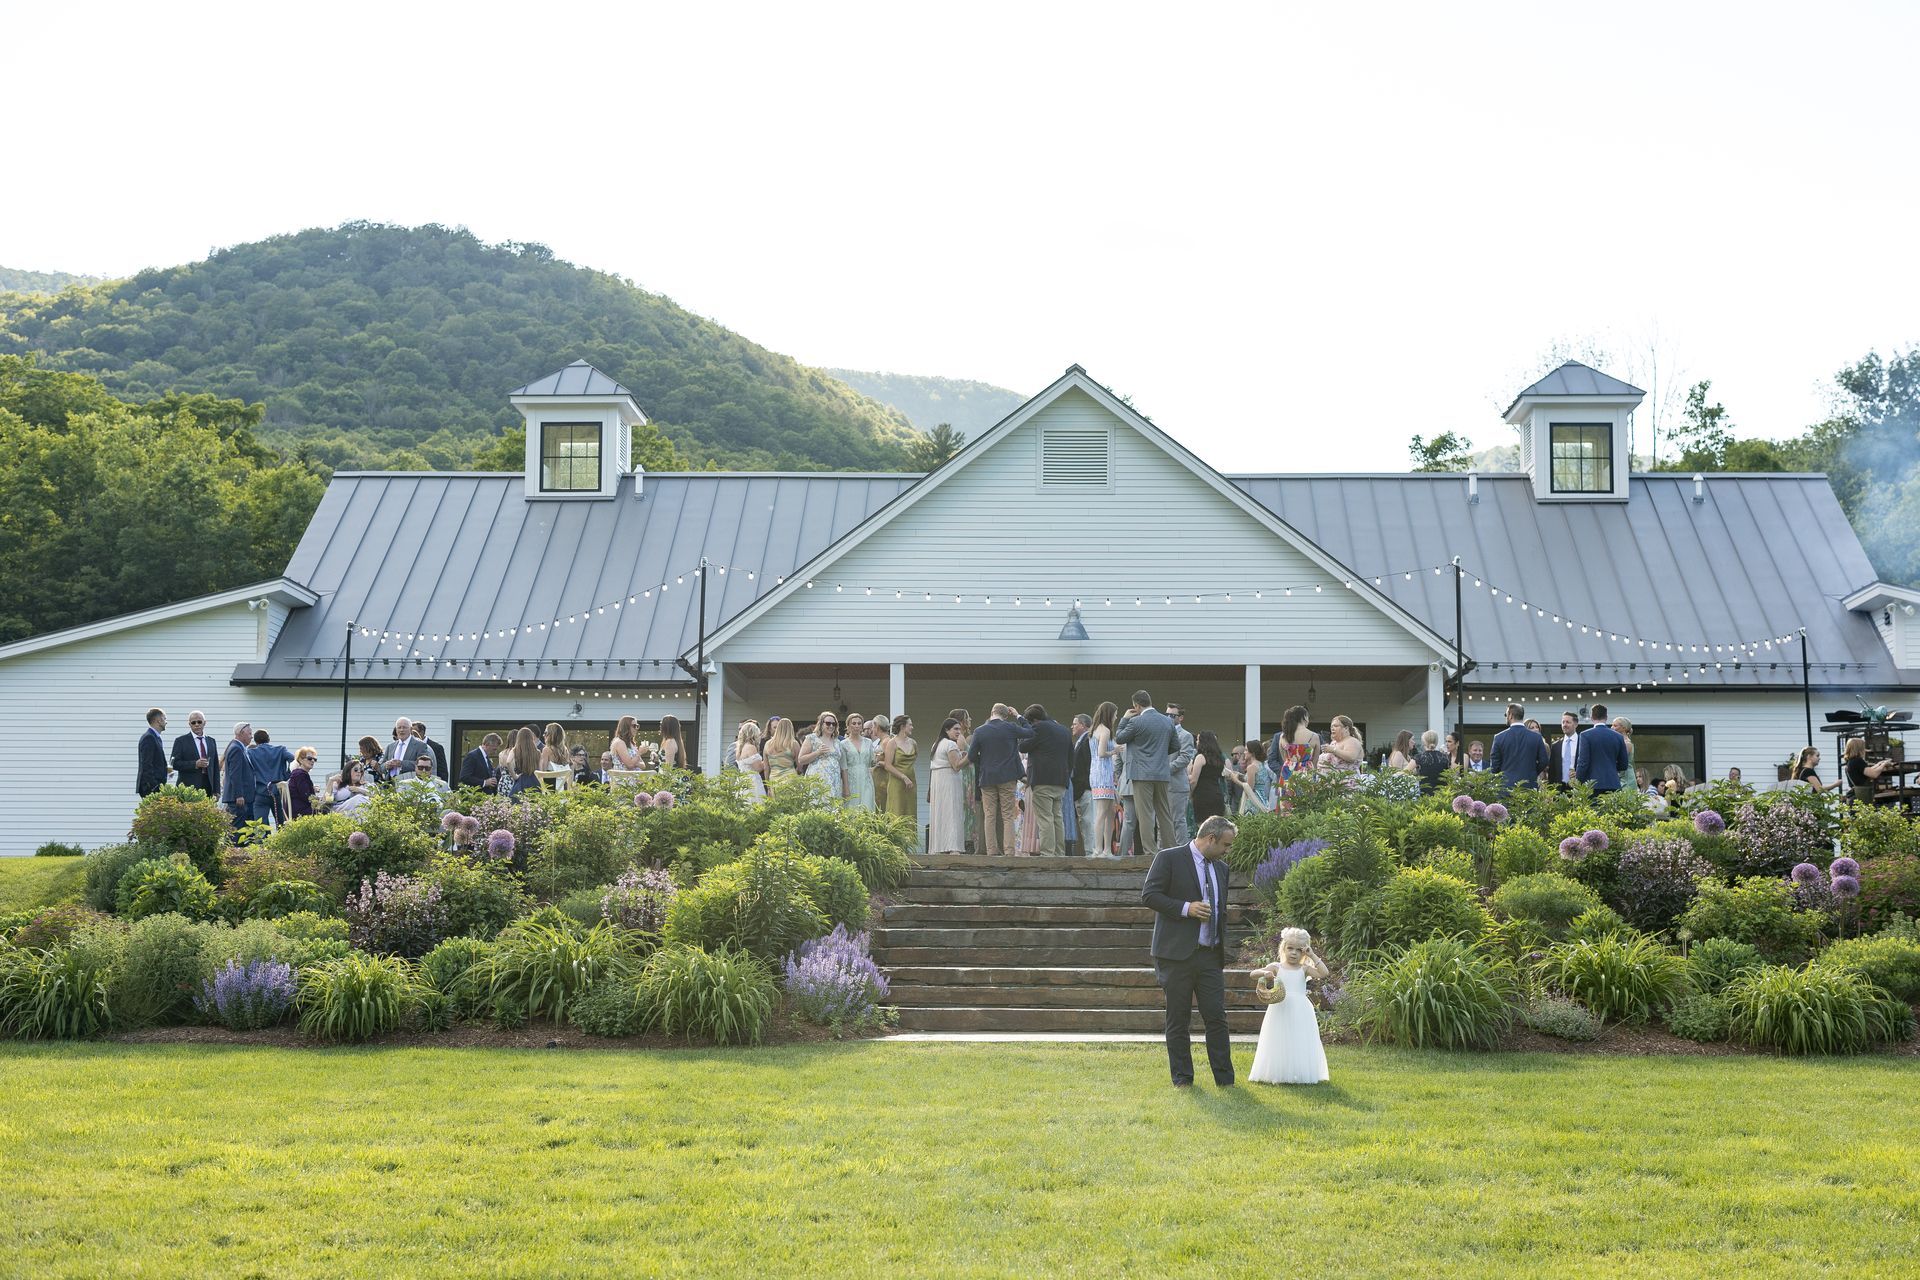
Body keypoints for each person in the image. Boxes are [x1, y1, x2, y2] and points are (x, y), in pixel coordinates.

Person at [1142, 815, 1238, 1088]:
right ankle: (1183, 1079)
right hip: (1175, 955)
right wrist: (1187, 908)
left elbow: (1222, 910)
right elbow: (1149, 895)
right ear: (1210, 839)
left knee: (1217, 1017)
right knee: (1178, 1019)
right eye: (1226, 845)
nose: (1227, 851)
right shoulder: (1169, 858)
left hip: (1209, 955)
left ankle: (1225, 1080)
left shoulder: (1221, 868)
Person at [1247, 926, 1331, 1086]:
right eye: (1290, 948)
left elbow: (1323, 973)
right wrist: (1264, 973)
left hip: (1301, 1010)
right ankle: (1279, 1071)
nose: (1293, 953)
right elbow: (1252, 974)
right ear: (1283, 948)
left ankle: (1298, 1072)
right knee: (1279, 1038)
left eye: (1298, 950)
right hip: (1280, 1008)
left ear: (1303, 952)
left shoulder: (1304, 969)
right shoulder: (1276, 967)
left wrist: (1312, 954)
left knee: (1298, 1039)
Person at [1113, 691, 1178, 854]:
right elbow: (1175, 746)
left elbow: (1119, 738)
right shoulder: (1167, 721)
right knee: (1164, 813)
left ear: (1136, 705)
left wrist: (1125, 718)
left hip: (1141, 775)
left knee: (1145, 814)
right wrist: (1160, 754)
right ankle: (1171, 850)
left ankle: (1150, 852)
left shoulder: (1135, 722)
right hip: (1162, 773)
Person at [969, 704, 1035, 856]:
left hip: (987, 777)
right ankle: (1009, 851)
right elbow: (1030, 732)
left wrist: (984, 760)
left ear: (991, 712)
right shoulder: (1010, 727)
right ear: (1006, 715)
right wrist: (1018, 715)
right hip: (1007, 776)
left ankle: (991, 850)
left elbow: (972, 756)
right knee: (1007, 815)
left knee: (989, 815)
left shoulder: (979, 731)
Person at [1021, 704, 1071, 856]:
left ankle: (1048, 854)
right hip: (1061, 780)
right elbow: (1071, 756)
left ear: (1034, 720)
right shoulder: (1064, 730)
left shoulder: (1038, 728)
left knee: (1045, 818)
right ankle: (1060, 853)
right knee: (1057, 817)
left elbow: (1023, 746)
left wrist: (1025, 730)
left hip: (1042, 779)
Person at [929, 718, 970, 853]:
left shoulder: (937, 744)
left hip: (938, 781)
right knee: (952, 811)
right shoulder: (950, 745)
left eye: (959, 729)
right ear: (947, 730)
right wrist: (970, 756)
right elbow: (957, 766)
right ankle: (953, 847)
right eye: (955, 729)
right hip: (949, 781)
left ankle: (939, 846)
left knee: (940, 813)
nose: (959, 732)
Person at [1489, 703, 1548, 791]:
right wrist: (1532, 772)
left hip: (1506, 787)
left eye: (1506, 715)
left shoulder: (1499, 738)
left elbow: (1494, 766)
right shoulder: (1536, 737)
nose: (1506, 717)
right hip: (1529, 785)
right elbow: (1544, 761)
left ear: (1510, 715)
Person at [1574, 703, 1631, 794]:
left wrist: (1578, 781)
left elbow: (1583, 762)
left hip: (1592, 784)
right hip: (1613, 783)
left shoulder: (1585, 735)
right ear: (1606, 717)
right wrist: (1610, 767)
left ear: (1592, 717)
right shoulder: (1618, 736)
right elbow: (1623, 765)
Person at [1088, 701, 1120, 858]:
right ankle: (1099, 849)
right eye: (1115, 714)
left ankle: (1105, 849)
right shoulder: (1106, 730)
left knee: (1108, 812)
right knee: (1103, 813)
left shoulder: (1094, 730)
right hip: (1103, 774)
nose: (1116, 717)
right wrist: (1115, 750)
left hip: (1096, 773)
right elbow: (1102, 753)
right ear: (1109, 714)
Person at [947, 708, 980, 852]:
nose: (970, 720)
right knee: (965, 808)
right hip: (964, 778)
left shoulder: (964, 737)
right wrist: (973, 754)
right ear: (961, 721)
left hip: (969, 777)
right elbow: (960, 760)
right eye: (968, 717)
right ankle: (965, 841)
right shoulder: (959, 739)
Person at [248, 729, 295, 824]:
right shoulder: (280, 750)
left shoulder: (251, 753)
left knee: (260, 825)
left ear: (255, 741)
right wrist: (285, 776)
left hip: (260, 791)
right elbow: (293, 760)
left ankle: (263, 839)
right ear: (269, 739)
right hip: (277, 791)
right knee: (282, 824)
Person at [1166, 703, 1197, 844]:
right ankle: (1163, 853)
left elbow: (1184, 758)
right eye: (1166, 714)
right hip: (1161, 784)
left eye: (1172, 715)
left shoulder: (1185, 736)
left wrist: (1165, 770)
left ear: (1181, 718)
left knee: (1178, 821)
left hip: (1177, 784)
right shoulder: (1162, 733)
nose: (1168, 718)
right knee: (1163, 822)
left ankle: (1181, 853)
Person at [170, 711, 219, 796]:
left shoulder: (211, 741)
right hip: (188, 788)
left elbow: (215, 767)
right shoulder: (181, 741)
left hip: (208, 787)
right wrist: (195, 764)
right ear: (189, 724)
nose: (197, 724)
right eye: (193, 722)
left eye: (199, 722)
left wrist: (216, 790)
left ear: (205, 723)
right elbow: (174, 764)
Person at [799, 712, 845, 800]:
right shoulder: (812, 738)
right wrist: (817, 752)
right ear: (821, 724)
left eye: (834, 724)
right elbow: (801, 759)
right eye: (828, 723)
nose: (831, 726)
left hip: (834, 781)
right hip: (817, 780)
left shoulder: (838, 742)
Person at [1188, 730, 1227, 825]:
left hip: (1202, 796)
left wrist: (1190, 795)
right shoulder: (1219, 758)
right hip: (1217, 794)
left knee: (1203, 827)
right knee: (1216, 827)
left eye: (1198, 740)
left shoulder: (1200, 757)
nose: (1196, 742)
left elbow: (1193, 780)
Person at [839, 714, 877, 809]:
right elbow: (843, 767)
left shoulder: (868, 742)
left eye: (859, 723)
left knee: (867, 808)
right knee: (852, 809)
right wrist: (846, 787)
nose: (856, 726)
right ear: (848, 726)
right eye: (854, 723)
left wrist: (878, 758)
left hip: (866, 779)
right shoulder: (843, 744)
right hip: (851, 780)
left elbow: (872, 762)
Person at [882, 716, 916, 821]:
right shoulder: (892, 743)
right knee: (897, 812)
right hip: (897, 783)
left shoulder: (913, 743)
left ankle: (911, 837)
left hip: (911, 782)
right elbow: (887, 765)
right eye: (910, 724)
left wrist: (908, 777)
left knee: (910, 812)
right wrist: (903, 777)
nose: (912, 727)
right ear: (902, 726)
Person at [1069, 713, 1094, 857]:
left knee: (1089, 823)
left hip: (1085, 789)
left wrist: (1083, 787)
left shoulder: (1088, 741)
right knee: (1085, 824)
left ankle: (1091, 854)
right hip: (1079, 790)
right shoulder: (1080, 741)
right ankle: (1089, 852)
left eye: (1075, 723)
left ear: (1083, 725)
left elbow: (1087, 767)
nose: (1072, 726)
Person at [220, 722, 256, 821]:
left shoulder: (239, 747)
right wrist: (239, 795)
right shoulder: (236, 748)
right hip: (239, 799)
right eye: (249, 733)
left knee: (245, 831)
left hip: (244, 798)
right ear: (241, 733)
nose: (251, 736)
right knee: (238, 830)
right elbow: (235, 774)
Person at [383, 718, 428, 784]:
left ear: (410, 729)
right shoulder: (390, 746)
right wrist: (386, 765)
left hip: (409, 786)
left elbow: (423, 765)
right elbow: (381, 766)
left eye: (404, 727)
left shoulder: (420, 745)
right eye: (399, 727)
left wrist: (401, 764)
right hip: (390, 786)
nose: (401, 730)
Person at [137, 708, 170, 797]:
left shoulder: (155, 737)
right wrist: (155, 787)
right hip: (150, 788)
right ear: (158, 721)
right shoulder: (149, 738)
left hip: (156, 786)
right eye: (165, 718)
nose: (166, 722)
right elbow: (146, 765)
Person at [507, 727, 543, 798]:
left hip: (521, 780)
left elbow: (508, 762)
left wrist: (515, 776)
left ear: (519, 738)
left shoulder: (515, 750)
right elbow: (540, 770)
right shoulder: (537, 752)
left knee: (518, 804)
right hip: (535, 781)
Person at [735, 723, 767, 802]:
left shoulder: (740, 748)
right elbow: (758, 768)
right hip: (752, 781)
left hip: (742, 779)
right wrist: (767, 758)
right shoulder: (750, 747)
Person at [1550, 711, 1582, 788]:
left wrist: (1579, 773)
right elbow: (1552, 770)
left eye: (1568, 722)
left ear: (1576, 724)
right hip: (1559, 789)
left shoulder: (1583, 743)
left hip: (1579, 788)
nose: (1564, 725)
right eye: (1563, 722)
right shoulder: (1555, 746)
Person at [1413, 730, 1450, 794]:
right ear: (1436, 742)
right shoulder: (1445, 757)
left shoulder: (1419, 757)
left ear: (1424, 742)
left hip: (1425, 795)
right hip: (1443, 795)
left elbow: (1405, 772)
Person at [287, 747, 320, 818]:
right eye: (309, 758)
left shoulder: (297, 773)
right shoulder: (300, 774)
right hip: (300, 812)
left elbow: (302, 792)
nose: (313, 761)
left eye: (315, 759)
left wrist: (312, 789)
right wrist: (321, 800)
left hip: (297, 809)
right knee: (327, 810)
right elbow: (306, 796)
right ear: (300, 760)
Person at [764, 718, 798, 786]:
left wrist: (768, 785)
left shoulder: (768, 744)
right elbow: (799, 764)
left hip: (773, 779)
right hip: (790, 778)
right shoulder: (793, 743)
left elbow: (766, 767)